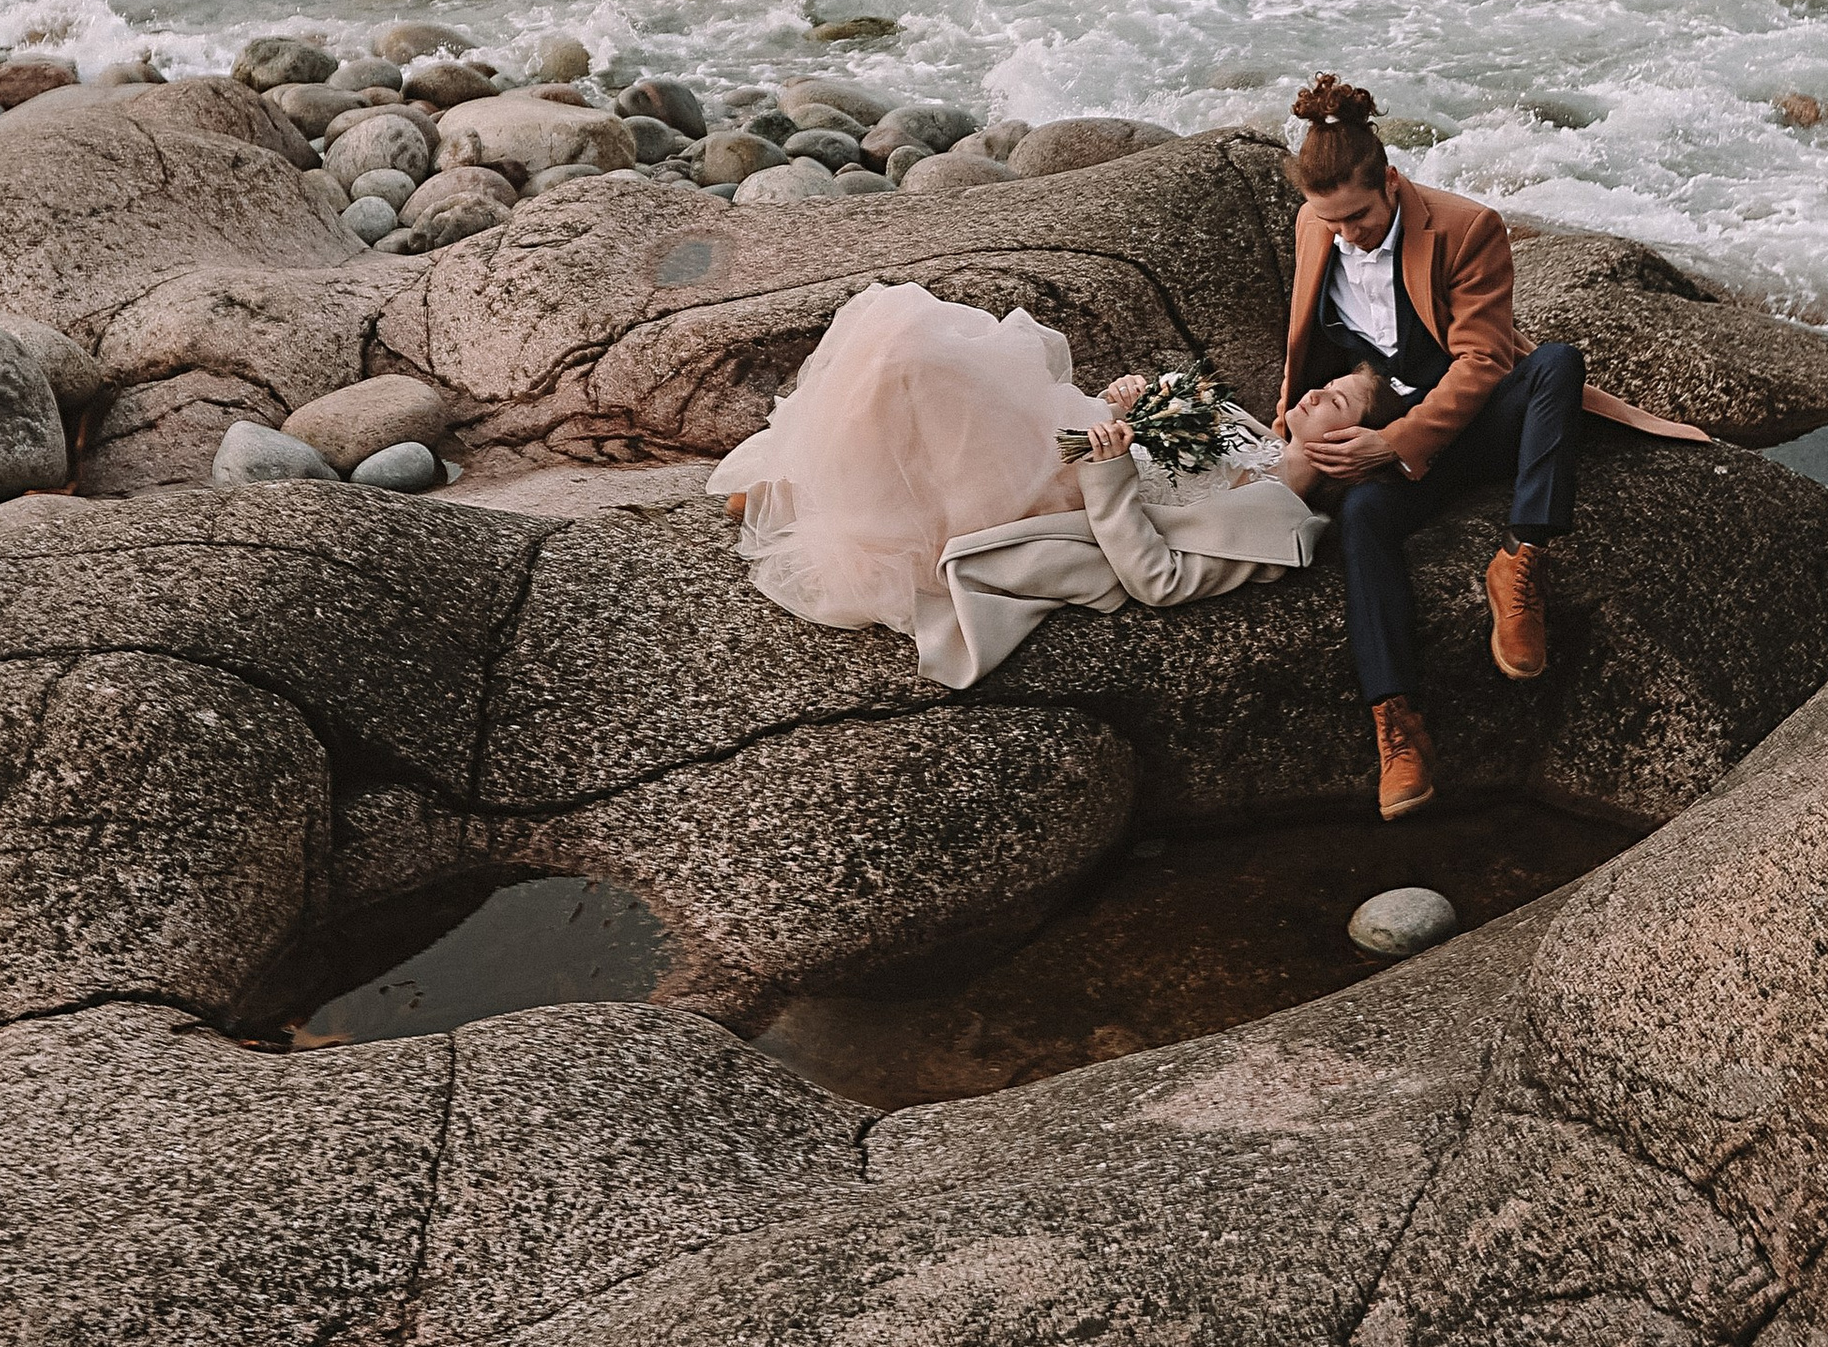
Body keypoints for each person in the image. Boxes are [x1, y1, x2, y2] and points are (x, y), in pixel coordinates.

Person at [1275, 74, 1713, 820]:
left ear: (1389, 179)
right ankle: (1398, 721)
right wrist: (1296, 429)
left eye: (1355, 216)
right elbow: (1306, 348)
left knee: (1557, 366)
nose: (1342, 233)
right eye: (1330, 221)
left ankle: (1520, 559)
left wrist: (1392, 442)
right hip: (1387, 437)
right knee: (1363, 523)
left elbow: (1482, 361)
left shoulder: (1468, 226)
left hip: (1469, 424)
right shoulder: (1315, 226)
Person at [708, 276, 1334, 682]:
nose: (1319, 392)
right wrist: (1124, 406)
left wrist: (1110, 469)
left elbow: (1157, 580)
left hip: (1063, 511)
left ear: (1348, 446)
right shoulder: (1248, 430)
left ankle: (802, 490)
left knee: (917, 363)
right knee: (905, 329)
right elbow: (1150, 437)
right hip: (1073, 449)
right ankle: (804, 484)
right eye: (1329, 384)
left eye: (1339, 402)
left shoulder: (1282, 524)